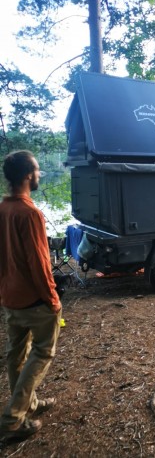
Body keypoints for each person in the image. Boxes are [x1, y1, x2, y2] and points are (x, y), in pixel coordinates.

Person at [0, 150, 62, 441]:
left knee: (16, 356)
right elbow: (40, 263)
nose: (40, 174)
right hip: (34, 302)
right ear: (28, 175)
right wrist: (52, 298)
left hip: (10, 299)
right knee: (41, 353)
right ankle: (13, 419)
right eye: (37, 170)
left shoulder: (3, 209)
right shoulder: (29, 213)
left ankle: (29, 404)